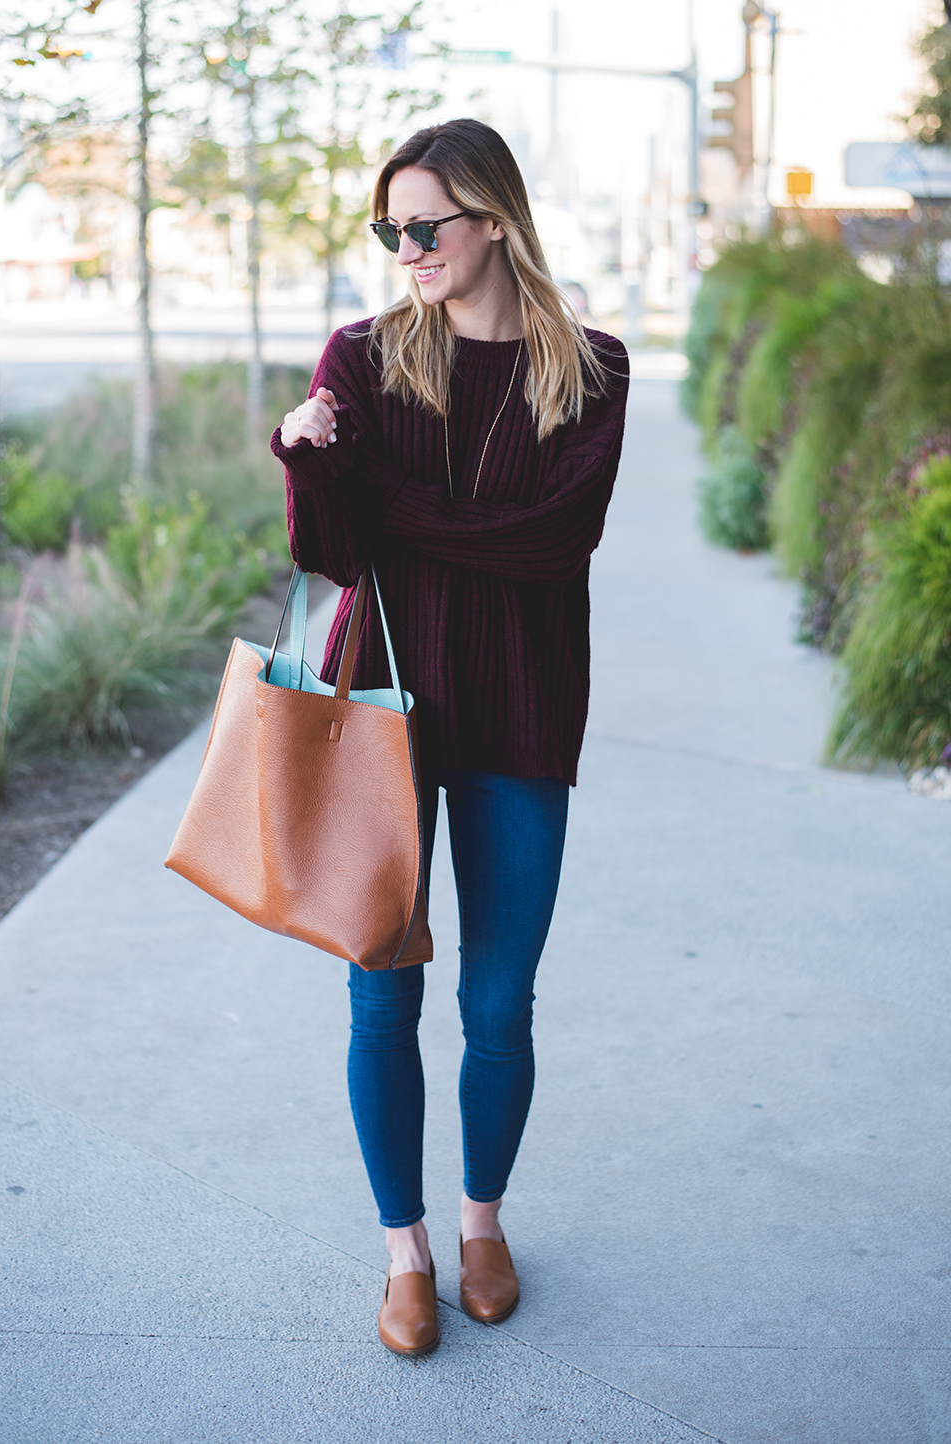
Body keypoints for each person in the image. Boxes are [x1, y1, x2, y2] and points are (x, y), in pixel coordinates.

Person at [272, 117, 629, 1357]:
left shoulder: (589, 368)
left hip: (523, 718)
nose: (406, 248)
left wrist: (389, 503)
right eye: (391, 228)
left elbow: (552, 545)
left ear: (494, 221)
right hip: (384, 715)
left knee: (502, 1000)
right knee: (383, 994)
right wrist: (315, 467)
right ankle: (405, 1250)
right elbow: (328, 555)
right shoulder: (360, 359)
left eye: (426, 225)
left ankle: (483, 1222)